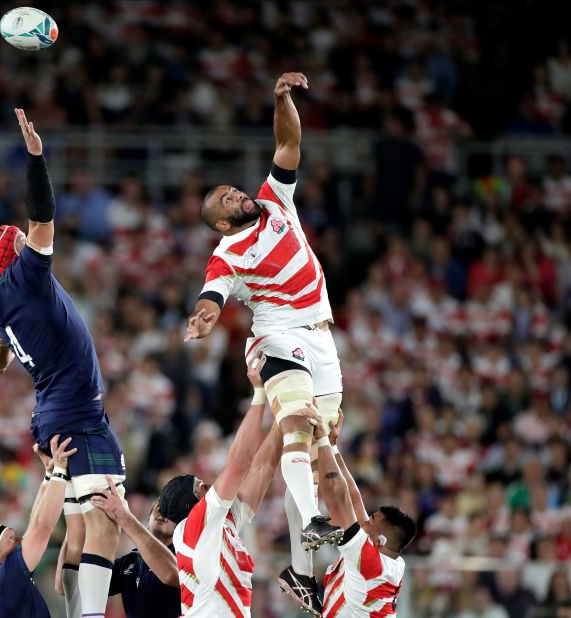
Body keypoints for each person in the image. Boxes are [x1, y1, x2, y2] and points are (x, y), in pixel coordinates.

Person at [185, 71, 343, 592]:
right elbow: (213, 295)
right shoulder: (226, 254)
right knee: (297, 423)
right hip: (277, 337)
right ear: (222, 224)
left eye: (233, 190)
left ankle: (300, 571)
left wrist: (280, 98)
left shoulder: (276, 200)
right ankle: (314, 522)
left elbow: (288, 141)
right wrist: (206, 316)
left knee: (323, 447)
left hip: (321, 337)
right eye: (227, 200)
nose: (236, 195)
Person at [0, 109, 126, 617]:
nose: (28, 239)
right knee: (106, 518)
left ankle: (75, 614)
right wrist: (36, 156)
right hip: (75, 414)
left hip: (51, 415)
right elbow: (42, 215)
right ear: (17, 251)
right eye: (20, 240)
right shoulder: (28, 277)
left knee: (81, 524)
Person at [159, 353, 283, 617]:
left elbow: (262, 469)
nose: (211, 487)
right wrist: (260, 393)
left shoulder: (219, 526)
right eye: (203, 486)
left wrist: (285, 416)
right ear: (194, 500)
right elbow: (240, 463)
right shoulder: (194, 525)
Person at [283, 407, 417, 617]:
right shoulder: (386, 557)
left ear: (380, 540)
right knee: (295, 497)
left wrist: (323, 439)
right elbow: (353, 499)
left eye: (370, 520)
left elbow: (339, 501)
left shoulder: (371, 564)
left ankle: (300, 576)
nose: (363, 520)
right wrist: (333, 447)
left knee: (296, 498)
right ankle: (299, 577)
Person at [0, 435, 76, 617]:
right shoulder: (3, 579)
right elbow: (41, 529)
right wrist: (60, 470)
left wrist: (49, 476)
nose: (16, 537)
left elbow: (34, 526)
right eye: (6, 536)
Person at [88, 484, 179, 618]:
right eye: (159, 505)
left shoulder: (190, 555)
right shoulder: (131, 560)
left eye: (171, 507)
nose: (162, 510)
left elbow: (170, 574)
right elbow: (78, 587)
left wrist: (124, 517)